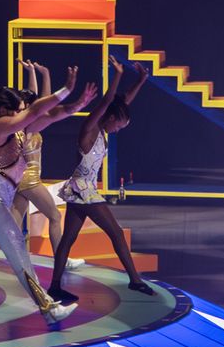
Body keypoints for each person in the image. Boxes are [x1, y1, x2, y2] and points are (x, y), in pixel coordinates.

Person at [0, 68, 96, 327]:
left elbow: (50, 115)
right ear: (4, 110)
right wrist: (65, 91)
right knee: (18, 252)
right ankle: (48, 308)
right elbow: (35, 112)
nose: (23, 113)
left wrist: (77, 104)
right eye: (19, 110)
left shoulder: (19, 130)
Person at [49, 58, 155, 302]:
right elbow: (108, 101)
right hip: (83, 190)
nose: (118, 129)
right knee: (116, 233)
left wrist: (141, 80)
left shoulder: (104, 129)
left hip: (79, 189)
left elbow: (121, 102)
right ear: (109, 118)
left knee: (68, 239)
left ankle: (55, 286)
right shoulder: (90, 130)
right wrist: (117, 74)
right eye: (119, 125)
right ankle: (135, 280)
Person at [11, 61, 70, 261]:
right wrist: (45, 75)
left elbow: (39, 99)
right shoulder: (28, 125)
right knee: (55, 216)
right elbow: (47, 104)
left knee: (12, 225)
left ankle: (9, 258)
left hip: (20, 180)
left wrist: (35, 73)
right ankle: (61, 260)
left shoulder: (21, 122)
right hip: (29, 180)